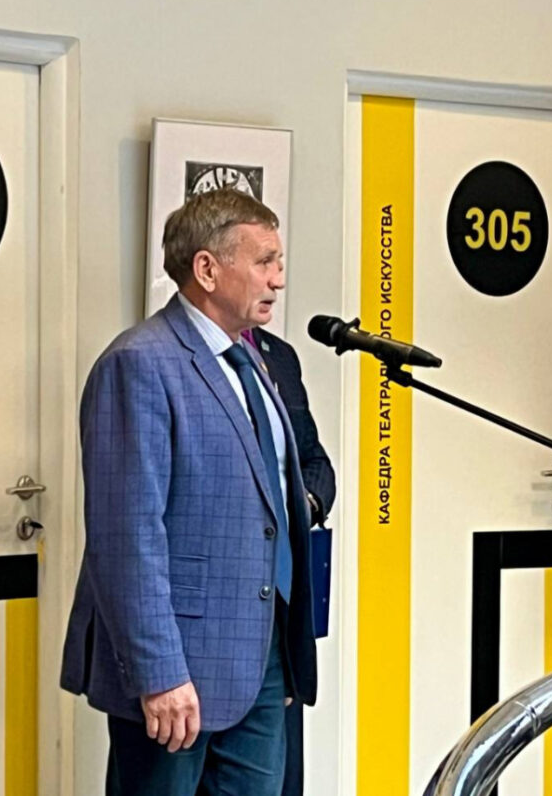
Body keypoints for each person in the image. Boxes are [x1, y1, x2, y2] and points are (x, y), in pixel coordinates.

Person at [60, 188, 318, 796]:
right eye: (264, 261)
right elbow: (126, 536)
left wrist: (284, 649)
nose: (278, 279)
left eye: (279, 262)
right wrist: (158, 673)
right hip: (177, 673)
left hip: (261, 662)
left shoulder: (255, 362)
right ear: (206, 269)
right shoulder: (139, 363)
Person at [242, 325, 335, 796]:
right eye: (264, 285)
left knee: (281, 776)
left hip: (282, 611)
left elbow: (315, 460)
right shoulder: (159, 358)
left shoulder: (279, 356)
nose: (276, 288)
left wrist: (305, 506)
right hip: (216, 618)